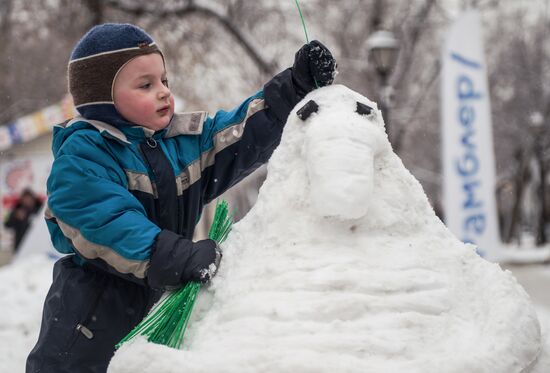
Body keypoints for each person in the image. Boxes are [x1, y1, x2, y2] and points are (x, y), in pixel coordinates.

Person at [26, 23, 336, 372]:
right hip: (89, 334)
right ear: (102, 100)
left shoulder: (179, 142)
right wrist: (176, 256)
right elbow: (104, 221)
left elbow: (236, 135)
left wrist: (294, 88)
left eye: (164, 81)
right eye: (146, 85)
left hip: (160, 315)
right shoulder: (83, 154)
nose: (163, 92)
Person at [4, 188, 43, 252]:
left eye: (29, 198)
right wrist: (15, 216)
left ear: (33, 199)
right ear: (21, 200)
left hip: (36, 244)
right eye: (25, 199)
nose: (27, 201)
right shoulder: (17, 210)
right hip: (20, 245)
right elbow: (7, 225)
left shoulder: (40, 211)